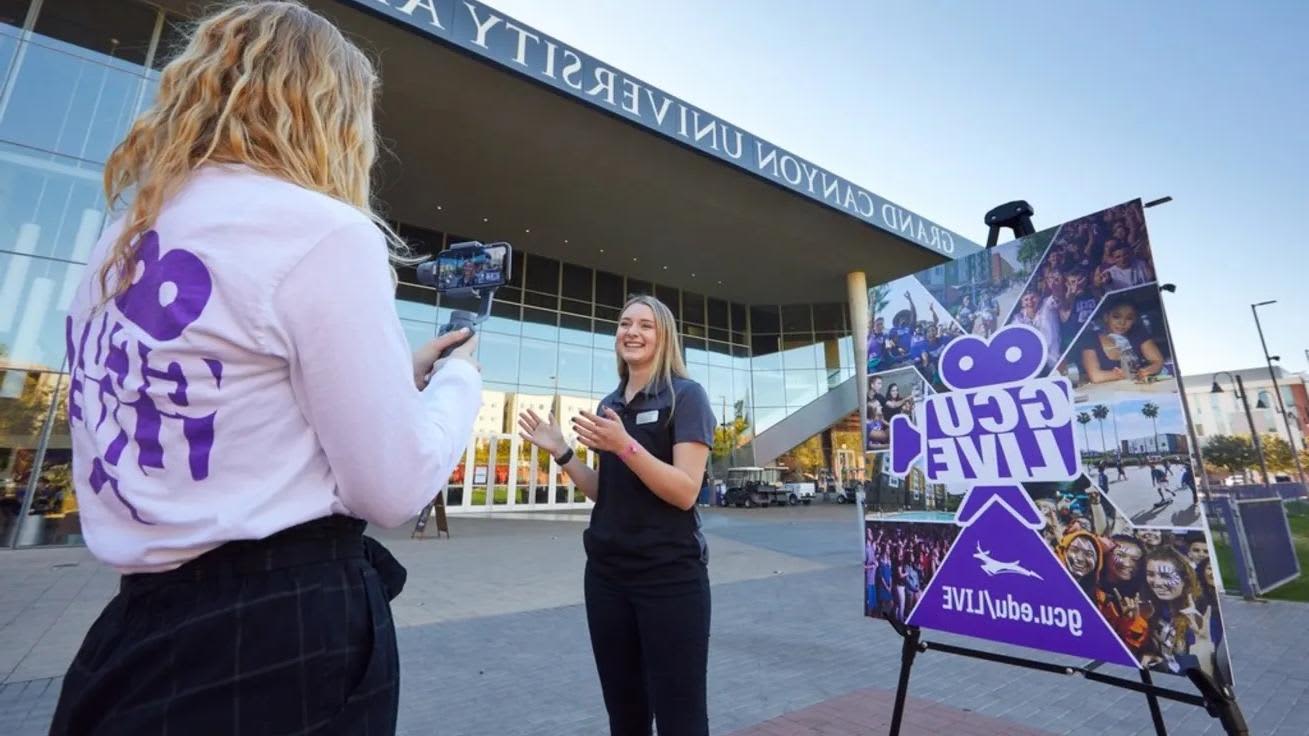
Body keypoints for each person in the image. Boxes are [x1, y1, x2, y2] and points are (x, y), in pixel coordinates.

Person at [50, 4, 483, 733]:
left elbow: (222, 406)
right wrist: (458, 383)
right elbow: (393, 488)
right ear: (330, 112)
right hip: (278, 628)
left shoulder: (123, 239)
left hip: (136, 628)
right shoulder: (321, 231)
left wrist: (394, 375)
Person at [517, 295, 714, 736]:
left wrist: (625, 445)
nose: (632, 332)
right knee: (625, 714)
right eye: (625, 323)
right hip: (607, 577)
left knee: (681, 716)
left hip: (669, 578)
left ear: (664, 337)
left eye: (645, 325)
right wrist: (563, 452)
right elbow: (607, 492)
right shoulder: (611, 404)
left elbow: (685, 491)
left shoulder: (686, 396)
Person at [1080, 300, 1165, 384]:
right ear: (1106, 317)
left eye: (1129, 318)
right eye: (1116, 316)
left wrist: (1147, 371)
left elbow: (1157, 361)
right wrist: (1126, 375)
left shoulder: (1138, 334)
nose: (1122, 322)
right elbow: (1096, 377)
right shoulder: (1091, 339)